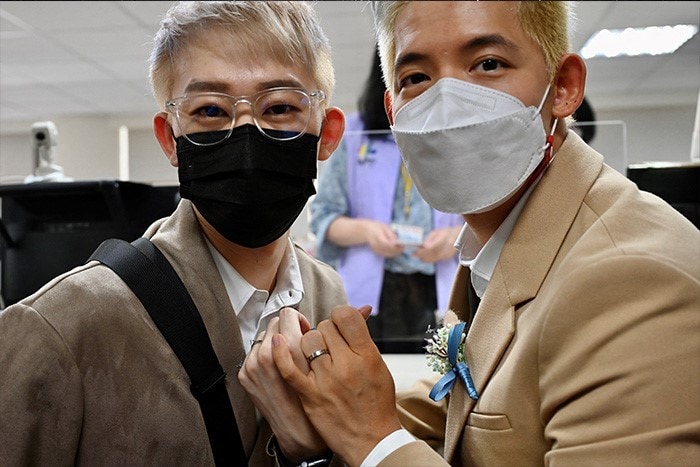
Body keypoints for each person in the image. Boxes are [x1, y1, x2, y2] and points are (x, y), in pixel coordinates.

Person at [243, 1, 700, 466]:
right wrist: (318, 420)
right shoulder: (498, 244)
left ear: (563, 87)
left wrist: (372, 440)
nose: (448, 103)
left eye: (488, 64)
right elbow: (456, 410)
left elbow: (387, 435)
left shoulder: (629, 277)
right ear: (393, 110)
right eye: (416, 79)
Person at [0, 1, 347, 465]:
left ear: (326, 134)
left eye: (280, 107)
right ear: (171, 140)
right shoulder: (62, 326)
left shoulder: (329, 298)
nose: (245, 134)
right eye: (209, 110)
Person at [310, 47, 462, 342]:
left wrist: (456, 240)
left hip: (441, 285)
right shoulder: (355, 134)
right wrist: (366, 232)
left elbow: (490, 217)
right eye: (412, 77)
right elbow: (324, 216)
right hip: (373, 291)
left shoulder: (459, 135)